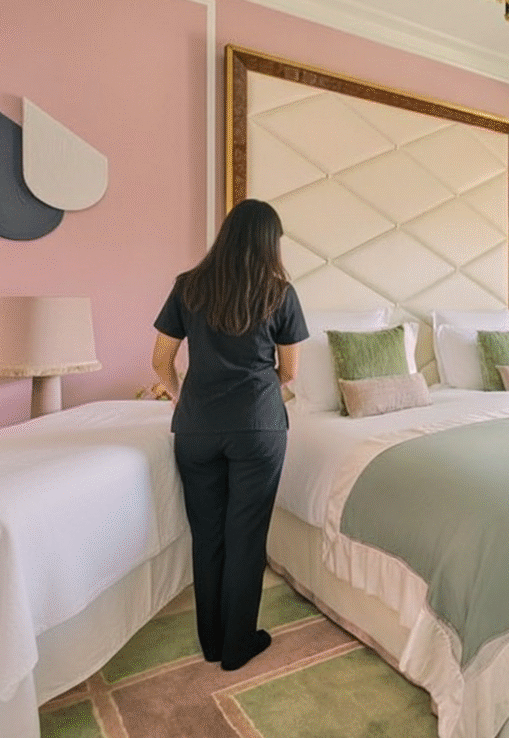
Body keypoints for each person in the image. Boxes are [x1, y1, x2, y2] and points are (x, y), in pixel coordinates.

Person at [151, 198, 308, 671]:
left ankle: (212, 642)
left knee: (208, 535)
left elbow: (160, 361)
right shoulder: (279, 292)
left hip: (197, 428)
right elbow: (289, 372)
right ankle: (239, 644)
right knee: (246, 536)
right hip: (258, 427)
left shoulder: (188, 286)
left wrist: (181, 397)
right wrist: (257, 395)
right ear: (269, 242)